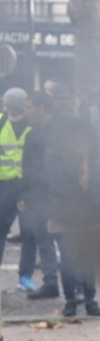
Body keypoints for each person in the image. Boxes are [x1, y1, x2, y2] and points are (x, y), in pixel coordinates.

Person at [45, 114, 100, 317]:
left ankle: (90, 300)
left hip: (87, 219)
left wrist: (86, 164)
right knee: (68, 262)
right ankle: (70, 300)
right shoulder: (56, 159)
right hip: (64, 218)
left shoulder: (94, 161)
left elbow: (96, 189)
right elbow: (60, 188)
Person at [20, 92, 60, 300]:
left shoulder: (59, 131)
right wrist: (24, 194)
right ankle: (51, 283)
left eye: (30, 107)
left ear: (42, 108)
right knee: (43, 239)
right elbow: (27, 167)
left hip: (59, 195)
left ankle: (78, 289)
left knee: (65, 240)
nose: (27, 112)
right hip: (38, 195)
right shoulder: (32, 134)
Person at [0, 88, 31, 288]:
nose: (8, 109)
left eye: (12, 106)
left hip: (27, 185)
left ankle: (24, 276)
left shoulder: (32, 124)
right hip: (5, 185)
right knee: (1, 230)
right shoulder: (2, 120)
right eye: (6, 105)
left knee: (29, 233)